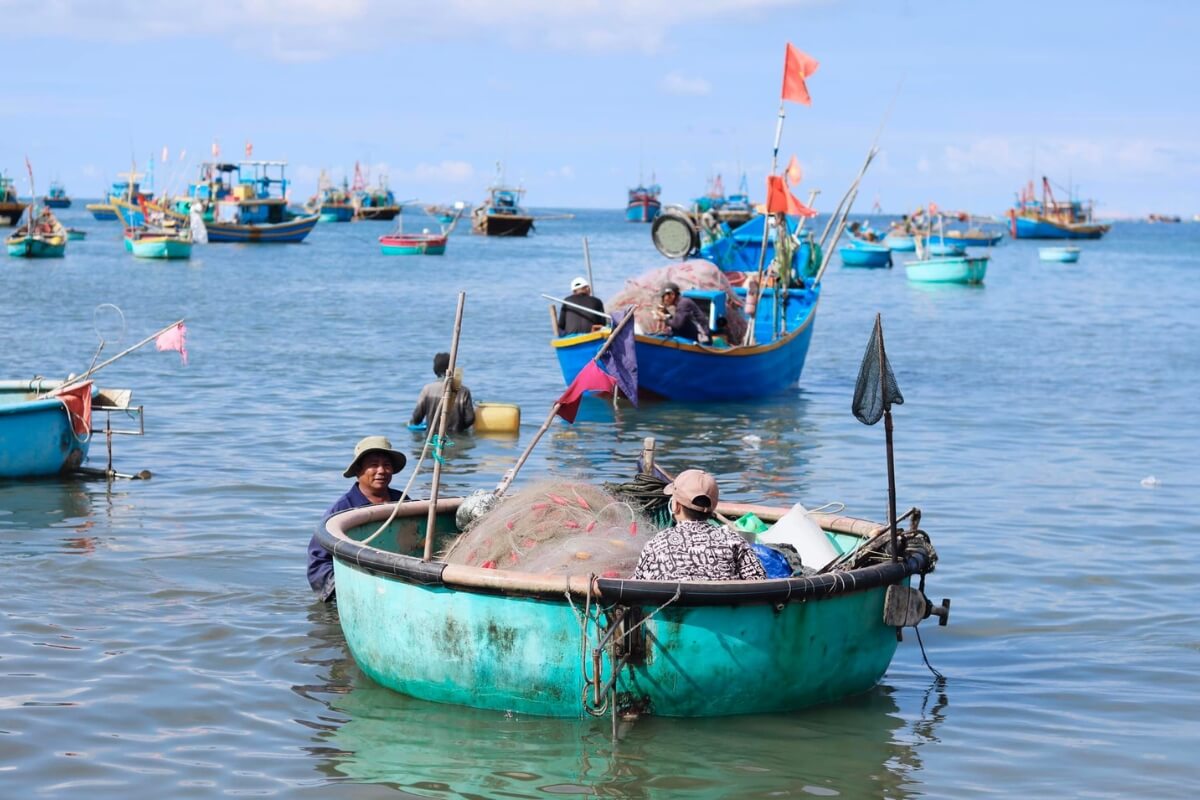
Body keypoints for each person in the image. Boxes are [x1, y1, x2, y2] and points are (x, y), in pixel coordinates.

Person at [308, 436, 408, 602]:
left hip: (396, 582)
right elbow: (318, 561)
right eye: (374, 465)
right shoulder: (341, 511)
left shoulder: (403, 502)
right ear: (358, 471)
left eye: (386, 465)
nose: (381, 471)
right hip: (356, 590)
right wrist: (342, 591)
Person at [632, 469, 767, 581]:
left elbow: (636, 586)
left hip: (670, 612)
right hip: (725, 612)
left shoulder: (656, 545)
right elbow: (759, 582)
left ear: (676, 506)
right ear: (712, 509)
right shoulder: (735, 542)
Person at [410, 352, 475, 432]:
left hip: (433, 439)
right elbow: (470, 418)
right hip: (457, 438)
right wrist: (460, 427)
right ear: (452, 369)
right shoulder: (464, 391)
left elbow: (417, 418)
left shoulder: (427, 390)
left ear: (435, 369)